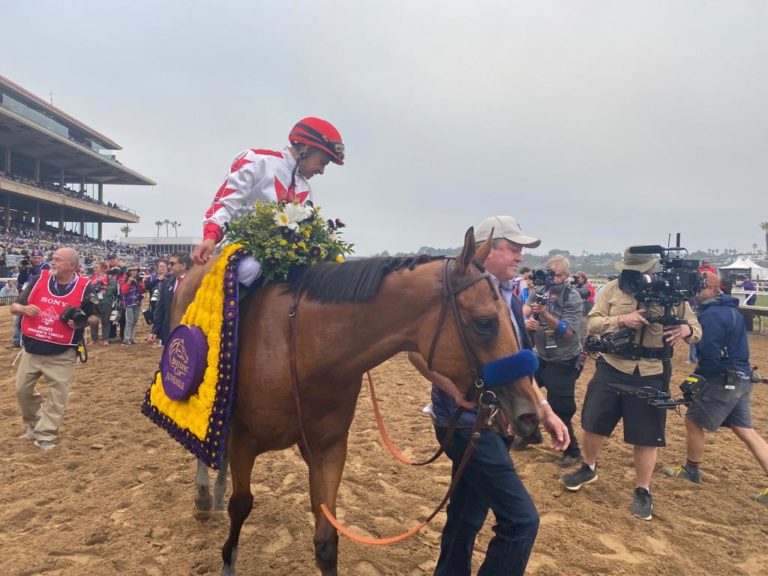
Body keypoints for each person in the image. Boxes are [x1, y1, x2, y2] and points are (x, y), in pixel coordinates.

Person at [410, 215, 569, 576]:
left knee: (467, 514)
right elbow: (417, 352)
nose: (519, 257)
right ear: (485, 249)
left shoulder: (509, 297)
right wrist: (452, 389)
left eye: (520, 250)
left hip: (494, 424)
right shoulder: (458, 297)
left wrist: (545, 410)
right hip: (465, 424)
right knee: (521, 522)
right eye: (512, 248)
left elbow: (518, 364)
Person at [560, 247, 702, 520]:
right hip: (612, 365)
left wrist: (687, 330)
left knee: (646, 434)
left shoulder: (672, 294)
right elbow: (592, 323)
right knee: (593, 422)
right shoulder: (613, 290)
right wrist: (621, 319)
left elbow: (696, 329)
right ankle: (589, 467)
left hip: (652, 370)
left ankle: (643, 489)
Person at [191, 117, 345, 277]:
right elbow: (225, 204)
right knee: (251, 269)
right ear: (306, 149)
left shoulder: (306, 189)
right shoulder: (255, 160)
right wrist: (210, 236)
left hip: (285, 258)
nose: (322, 171)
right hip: (242, 251)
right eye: (322, 162)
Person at [662, 273, 768, 504]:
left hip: (723, 378)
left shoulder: (711, 315)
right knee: (745, 430)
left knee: (693, 421)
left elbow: (710, 355)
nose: (694, 293)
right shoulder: (731, 310)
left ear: (711, 288)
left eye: (698, 288)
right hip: (741, 375)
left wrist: (696, 379)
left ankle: (691, 469)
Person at [10, 248, 98, 450]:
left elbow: (96, 316)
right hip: (32, 349)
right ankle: (34, 422)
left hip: (62, 352)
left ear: (72, 266)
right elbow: (14, 306)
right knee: (22, 390)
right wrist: (23, 309)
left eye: (58, 260)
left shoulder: (86, 287)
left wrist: (80, 323)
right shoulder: (38, 280)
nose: (53, 262)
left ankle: (46, 433)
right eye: (53, 258)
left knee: (58, 396)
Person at [524, 256, 584, 468]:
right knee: (526, 392)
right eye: (550, 273)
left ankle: (572, 451)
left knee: (561, 407)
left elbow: (567, 331)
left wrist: (545, 314)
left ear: (566, 277)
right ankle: (529, 434)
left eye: (557, 275)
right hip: (540, 354)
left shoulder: (572, 297)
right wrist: (527, 322)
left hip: (564, 359)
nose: (552, 279)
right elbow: (524, 310)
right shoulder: (538, 292)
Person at [148, 252, 191, 346]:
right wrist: (155, 331)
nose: (169, 266)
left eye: (172, 263)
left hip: (189, 331)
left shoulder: (195, 284)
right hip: (169, 332)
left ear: (183, 265)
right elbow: (160, 309)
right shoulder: (166, 284)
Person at [120, 264, 146, 345]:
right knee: (129, 321)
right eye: (132, 270)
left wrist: (137, 283)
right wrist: (128, 282)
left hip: (137, 302)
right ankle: (126, 339)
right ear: (129, 272)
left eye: (135, 270)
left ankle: (132, 338)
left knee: (134, 321)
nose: (134, 272)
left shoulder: (139, 279)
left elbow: (142, 290)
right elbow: (123, 291)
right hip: (128, 303)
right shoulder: (124, 280)